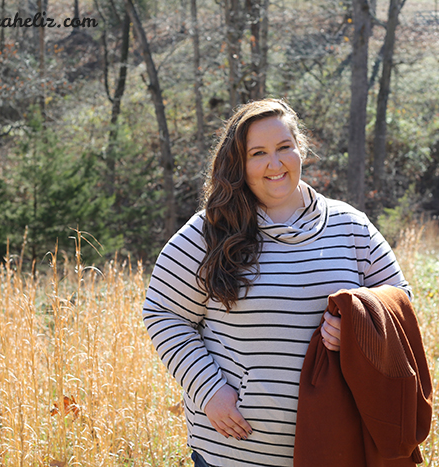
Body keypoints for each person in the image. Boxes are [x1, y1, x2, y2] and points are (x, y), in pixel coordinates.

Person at [142, 98, 412, 467]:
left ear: (300, 149)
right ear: (239, 164)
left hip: (338, 446)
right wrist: (210, 392)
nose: (275, 163)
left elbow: (401, 303)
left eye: (284, 147)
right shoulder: (209, 232)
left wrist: (358, 328)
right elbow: (163, 314)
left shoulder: (351, 227)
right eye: (258, 153)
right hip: (235, 452)